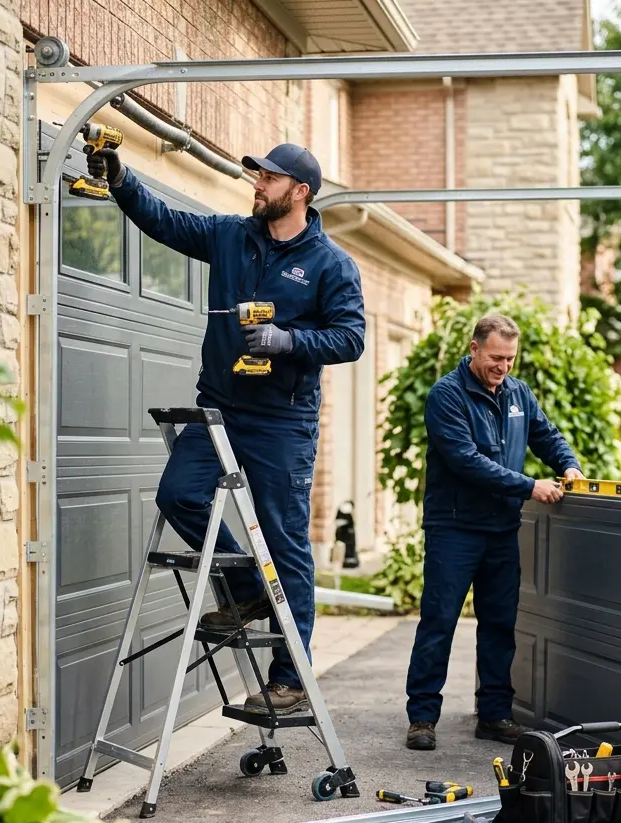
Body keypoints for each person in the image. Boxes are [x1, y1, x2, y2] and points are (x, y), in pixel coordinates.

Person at [92, 142, 365, 715]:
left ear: (301, 192)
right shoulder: (231, 237)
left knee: (284, 539)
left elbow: (351, 337)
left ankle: (289, 677)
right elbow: (167, 223)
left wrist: (289, 341)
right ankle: (247, 589)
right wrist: (122, 180)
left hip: (281, 419)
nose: (258, 185)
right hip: (218, 408)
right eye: (258, 176)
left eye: (269, 179)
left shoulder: (330, 264)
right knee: (178, 495)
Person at [404, 314, 584, 750]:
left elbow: (546, 434)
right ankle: (423, 718)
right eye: (496, 357)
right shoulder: (446, 396)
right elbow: (466, 461)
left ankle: (495, 715)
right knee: (439, 621)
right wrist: (529, 486)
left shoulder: (518, 393)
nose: (503, 366)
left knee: (500, 624)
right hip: (454, 529)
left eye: (510, 358)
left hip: (501, 529)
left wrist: (567, 463)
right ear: (474, 348)